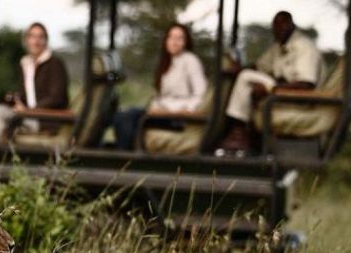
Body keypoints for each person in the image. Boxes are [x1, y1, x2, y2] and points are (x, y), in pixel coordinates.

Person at [218, 11, 323, 155]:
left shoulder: (304, 47)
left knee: (246, 77)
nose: (277, 29)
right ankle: (241, 133)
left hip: (299, 98)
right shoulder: (279, 45)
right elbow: (259, 66)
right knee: (246, 76)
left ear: (290, 24)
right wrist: (238, 69)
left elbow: (306, 85)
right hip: (280, 92)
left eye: (281, 25)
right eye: (275, 26)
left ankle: (239, 132)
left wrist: (270, 89)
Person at [113, 23, 208, 151]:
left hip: (176, 118)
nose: (174, 42)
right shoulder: (167, 63)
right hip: (160, 113)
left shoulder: (190, 61)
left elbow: (200, 95)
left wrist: (174, 111)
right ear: (166, 41)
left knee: (128, 116)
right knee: (121, 115)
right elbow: (163, 96)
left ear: (186, 42)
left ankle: (124, 157)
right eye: (171, 38)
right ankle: (126, 152)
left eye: (179, 38)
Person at [0, 22, 69, 145]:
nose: (36, 41)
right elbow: (27, 94)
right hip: (27, 115)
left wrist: (29, 110)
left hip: (45, 119)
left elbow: (56, 98)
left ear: (46, 41)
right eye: (32, 37)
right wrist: (15, 99)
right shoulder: (26, 64)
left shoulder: (55, 64)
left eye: (40, 37)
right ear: (27, 40)